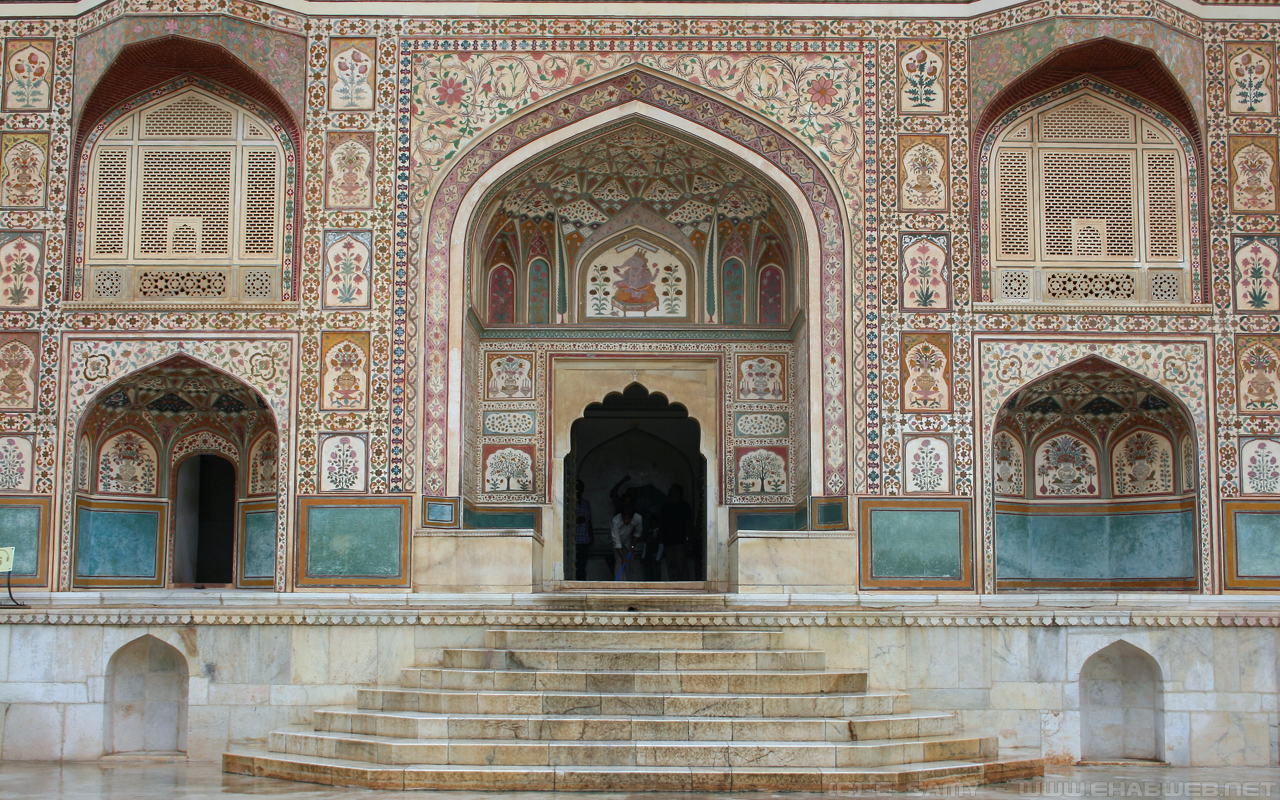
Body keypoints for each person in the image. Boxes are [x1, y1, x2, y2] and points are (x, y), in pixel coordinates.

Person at [659, 485, 693, 581]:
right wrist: (661, 540)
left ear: (679, 493)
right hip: (668, 541)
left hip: (680, 541)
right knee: (671, 565)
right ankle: (673, 584)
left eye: (673, 490)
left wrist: (687, 538)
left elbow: (688, 523)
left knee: (681, 565)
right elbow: (662, 524)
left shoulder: (684, 506)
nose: (671, 492)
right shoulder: (666, 507)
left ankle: (684, 585)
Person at [610, 495, 643, 581]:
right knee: (619, 563)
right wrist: (623, 557)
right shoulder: (616, 520)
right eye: (625, 519)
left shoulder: (638, 518)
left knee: (630, 564)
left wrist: (632, 546)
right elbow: (616, 541)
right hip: (618, 544)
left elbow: (637, 532)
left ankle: (630, 584)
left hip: (629, 542)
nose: (626, 521)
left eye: (629, 519)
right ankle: (619, 585)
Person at [572, 479, 592, 581]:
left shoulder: (586, 504)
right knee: (571, 565)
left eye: (581, 488)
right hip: (572, 540)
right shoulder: (569, 504)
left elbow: (589, 521)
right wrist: (576, 520)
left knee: (582, 565)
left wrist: (591, 536)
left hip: (584, 538)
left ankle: (581, 584)